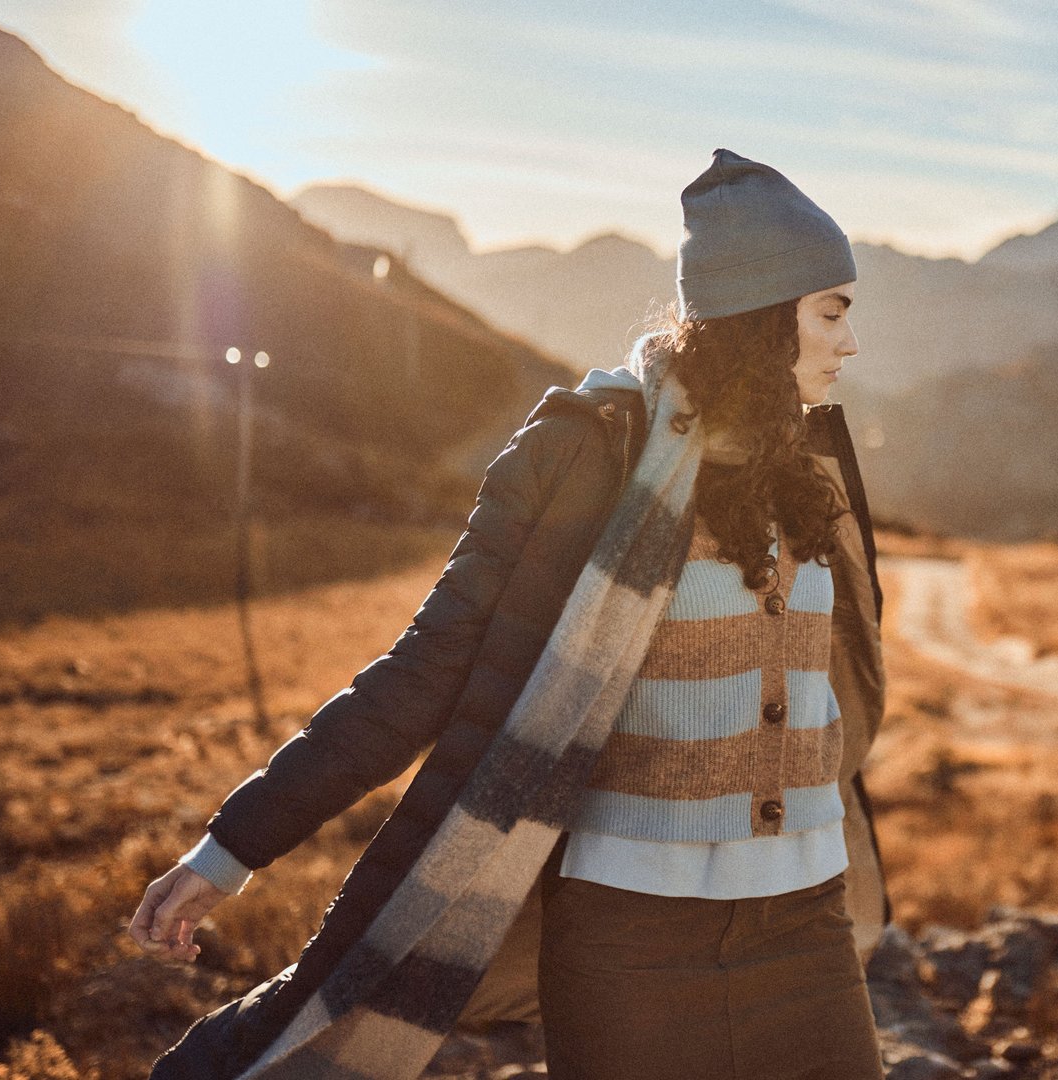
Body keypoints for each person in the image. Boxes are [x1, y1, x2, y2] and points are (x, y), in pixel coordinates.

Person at [131, 148, 891, 1080]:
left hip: (806, 925)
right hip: (630, 941)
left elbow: (843, 682)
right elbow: (427, 669)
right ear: (764, 317)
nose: (851, 343)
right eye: (833, 311)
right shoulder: (589, 455)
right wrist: (231, 848)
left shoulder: (809, 467)